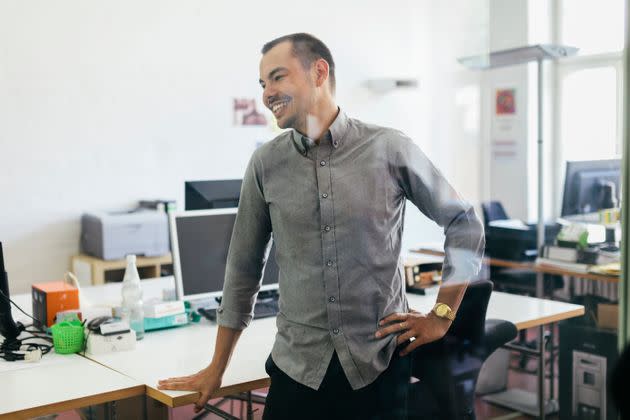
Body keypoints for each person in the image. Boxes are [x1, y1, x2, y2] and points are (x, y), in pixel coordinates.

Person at [158, 33, 485, 420]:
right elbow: (243, 268)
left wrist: (442, 315)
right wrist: (218, 365)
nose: (267, 93)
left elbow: (465, 223)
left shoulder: (389, 149)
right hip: (298, 371)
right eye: (263, 84)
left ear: (319, 72)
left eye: (277, 77)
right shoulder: (265, 164)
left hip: (377, 368)